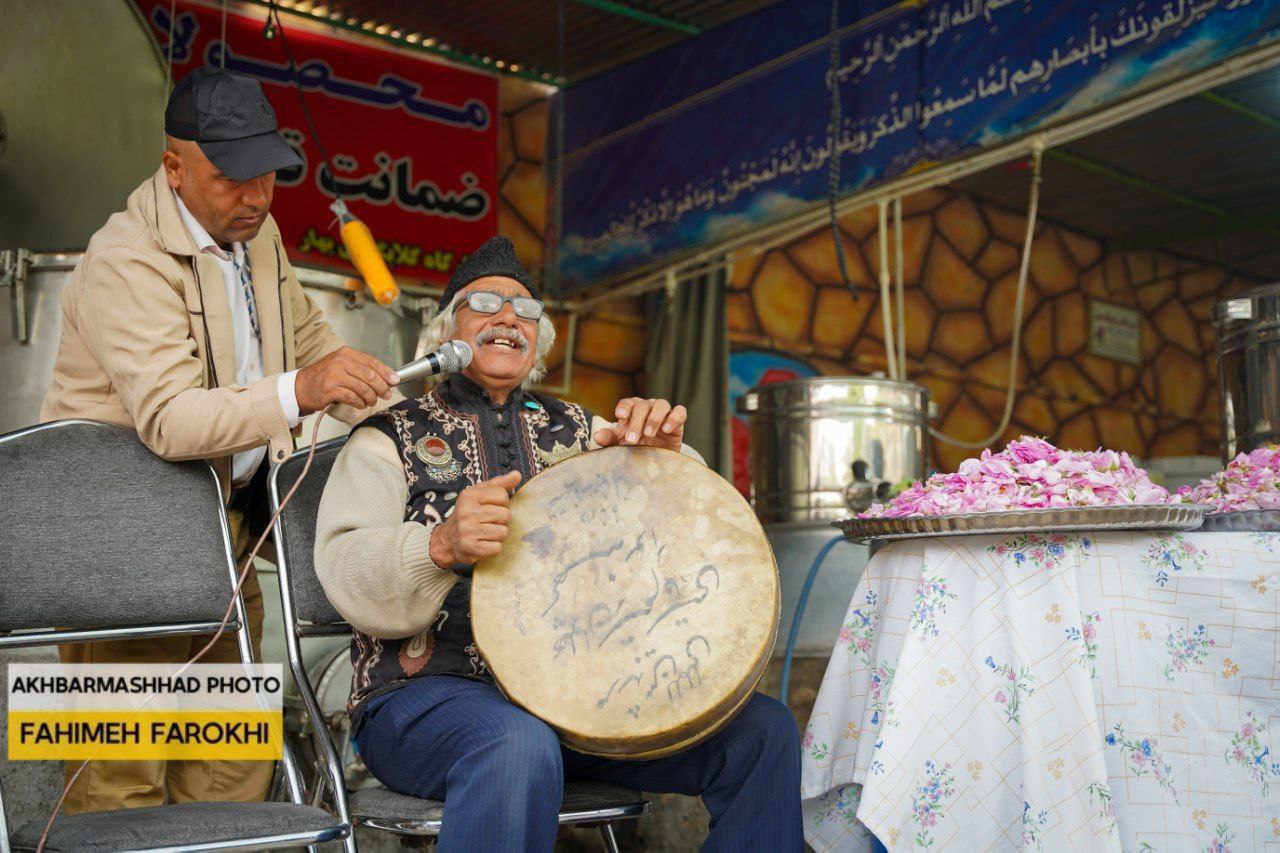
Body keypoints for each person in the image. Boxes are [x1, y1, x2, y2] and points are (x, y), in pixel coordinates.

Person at [314, 236, 803, 851]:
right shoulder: (386, 439)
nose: (508, 318)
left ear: (538, 342)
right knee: (516, 742)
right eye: (484, 302)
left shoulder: (579, 430)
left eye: (526, 311)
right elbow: (342, 565)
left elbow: (687, 518)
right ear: (447, 330)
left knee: (762, 731)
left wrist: (666, 456)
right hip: (421, 705)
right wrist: (438, 546)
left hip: (579, 712)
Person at [40, 67, 400, 813]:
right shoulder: (123, 258)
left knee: (232, 782)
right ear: (174, 167)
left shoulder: (258, 235)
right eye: (232, 179)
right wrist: (304, 390)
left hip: (221, 545)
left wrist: (392, 408)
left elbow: (310, 340)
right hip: (113, 559)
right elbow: (171, 419)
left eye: (267, 176)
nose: (258, 198)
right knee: (115, 795)